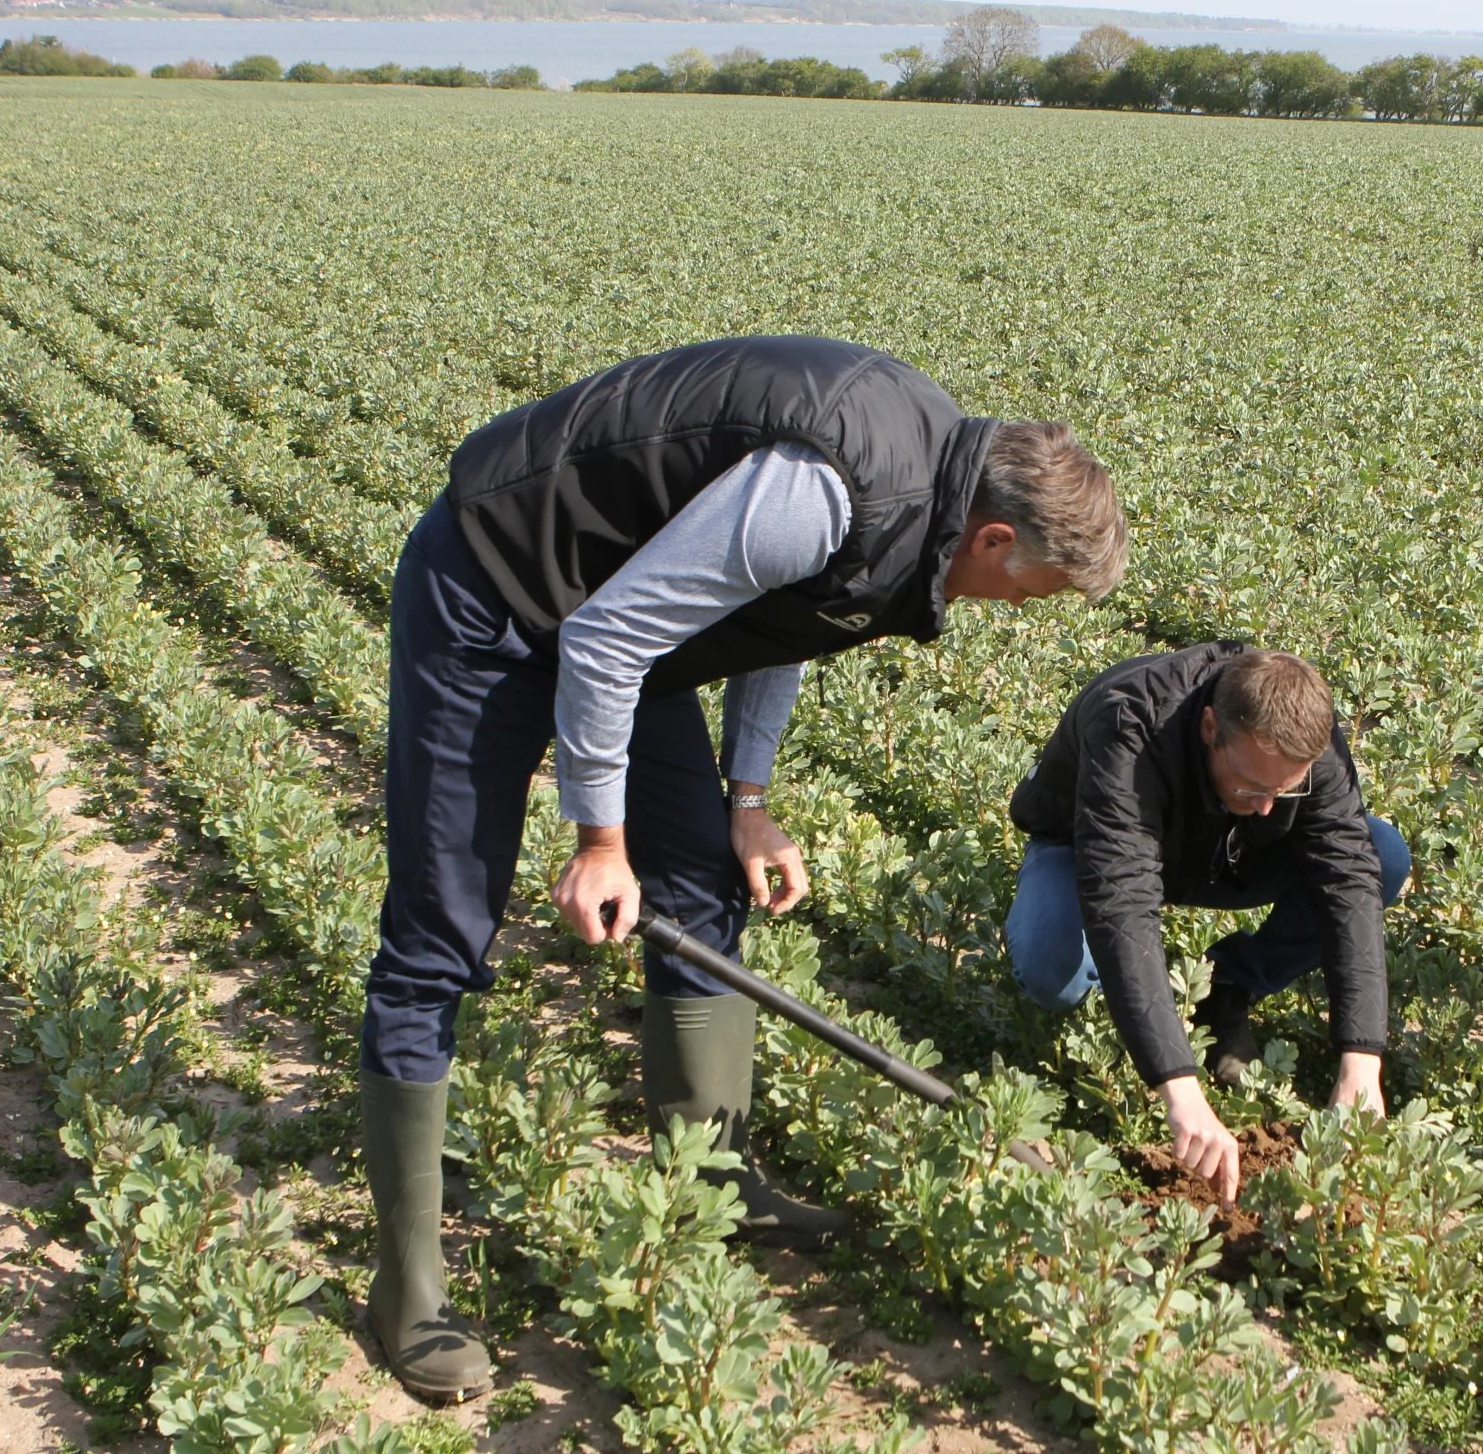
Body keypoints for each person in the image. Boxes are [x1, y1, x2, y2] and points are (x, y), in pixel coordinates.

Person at [360, 335, 1125, 1400]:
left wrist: (748, 804)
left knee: (704, 882)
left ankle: (712, 1180)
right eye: (1030, 589)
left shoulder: (920, 492)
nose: (1019, 608)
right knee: (441, 932)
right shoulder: (831, 488)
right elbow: (607, 643)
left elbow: (781, 620)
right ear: (995, 537)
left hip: (621, 604)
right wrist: (598, 840)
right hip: (499, 583)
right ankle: (406, 1292)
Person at [1004, 643, 1410, 1203]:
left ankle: (1229, 982)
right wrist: (1179, 1087)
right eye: (1253, 783)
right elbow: (1122, 901)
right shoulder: (1129, 720)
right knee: (1054, 973)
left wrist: (1362, 1063)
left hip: (1226, 853)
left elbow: (1348, 877)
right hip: (1089, 846)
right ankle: (1130, 1006)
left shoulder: (1302, 729)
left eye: (1285, 789)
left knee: (1382, 854)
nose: (1270, 805)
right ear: (1210, 726)